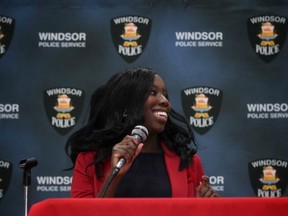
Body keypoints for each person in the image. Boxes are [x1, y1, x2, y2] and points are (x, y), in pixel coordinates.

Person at [65, 66, 218, 198]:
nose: (165, 101)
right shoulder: (89, 161)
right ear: (125, 106)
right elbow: (84, 212)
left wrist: (201, 206)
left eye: (165, 94)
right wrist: (115, 175)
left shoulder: (187, 161)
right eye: (153, 92)